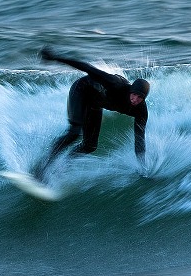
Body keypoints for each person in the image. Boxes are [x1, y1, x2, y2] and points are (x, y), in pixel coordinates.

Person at [35, 46, 150, 178]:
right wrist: (55, 58)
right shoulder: (116, 84)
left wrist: (143, 169)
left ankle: (62, 166)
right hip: (81, 90)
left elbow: (139, 141)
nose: (135, 99)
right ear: (131, 90)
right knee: (74, 132)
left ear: (144, 99)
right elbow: (87, 68)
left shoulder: (141, 111)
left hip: (95, 104)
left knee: (89, 146)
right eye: (134, 94)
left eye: (140, 97)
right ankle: (44, 166)